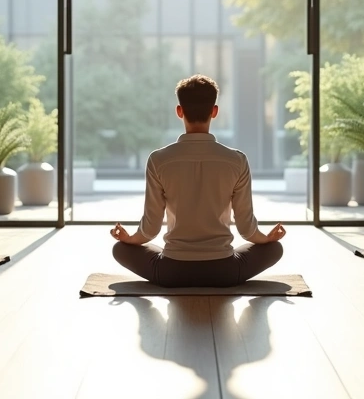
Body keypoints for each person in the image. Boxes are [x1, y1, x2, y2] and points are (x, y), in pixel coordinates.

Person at [110, 74, 286, 287]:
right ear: (214, 111)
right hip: (225, 271)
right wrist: (267, 238)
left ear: (179, 111)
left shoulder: (158, 160)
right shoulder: (237, 161)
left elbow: (150, 229)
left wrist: (130, 239)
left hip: (172, 271)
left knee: (120, 249)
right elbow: (247, 229)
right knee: (275, 248)